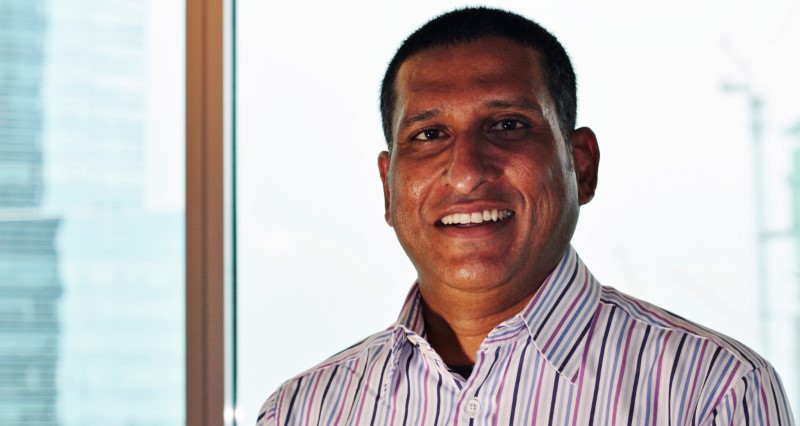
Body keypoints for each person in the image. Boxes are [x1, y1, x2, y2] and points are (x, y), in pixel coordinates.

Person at [257, 7, 795, 425]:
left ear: (581, 165)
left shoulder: (715, 393)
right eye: (428, 135)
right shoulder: (301, 411)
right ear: (388, 188)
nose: (466, 171)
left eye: (508, 125)